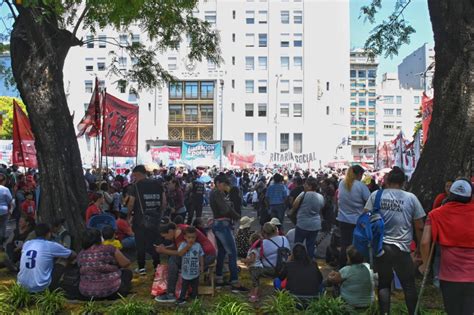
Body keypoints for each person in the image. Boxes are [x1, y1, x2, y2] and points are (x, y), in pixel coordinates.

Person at [364, 167, 425, 315]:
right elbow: (419, 226)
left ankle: (385, 313)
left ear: (387, 180)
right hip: (402, 249)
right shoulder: (411, 198)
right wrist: (418, 249)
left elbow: (365, 218)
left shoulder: (375, 195)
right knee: (408, 285)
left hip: (381, 247)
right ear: (403, 182)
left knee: (384, 284)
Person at [420, 179, 474, 315]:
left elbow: (425, 242)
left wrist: (425, 266)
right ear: (470, 196)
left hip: (449, 277)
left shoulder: (435, 214)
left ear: (450, 194)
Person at [155, 222, 216, 303]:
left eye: (165, 236)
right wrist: (165, 248)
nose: (166, 239)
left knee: (173, 260)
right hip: (206, 255)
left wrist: (164, 250)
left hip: (206, 256)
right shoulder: (178, 229)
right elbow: (179, 247)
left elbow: (180, 252)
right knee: (174, 260)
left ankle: (170, 294)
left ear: (170, 231)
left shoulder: (179, 233)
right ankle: (177, 292)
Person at [209, 174, 247, 292]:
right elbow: (225, 209)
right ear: (218, 183)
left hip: (218, 224)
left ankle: (219, 277)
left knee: (222, 252)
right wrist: (235, 214)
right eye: (224, 184)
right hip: (223, 225)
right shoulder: (217, 193)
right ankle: (234, 281)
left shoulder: (214, 193)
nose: (226, 187)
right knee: (232, 253)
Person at [126, 165, 167, 275]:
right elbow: (164, 202)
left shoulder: (136, 186)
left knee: (140, 244)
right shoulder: (158, 184)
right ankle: (157, 266)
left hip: (140, 220)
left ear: (138, 174)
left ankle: (141, 268)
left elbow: (131, 204)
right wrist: (159, 214)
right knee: (155, 243)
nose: (134, 178)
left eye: (134, 176)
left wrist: (128, 217)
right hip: (155, 219)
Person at [17, 223, 76, 293]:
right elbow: (72, 254)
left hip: (22, 286)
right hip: (40, 287)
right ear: (48, 234)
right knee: (63, 259)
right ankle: (58, 285)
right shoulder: (50, 245)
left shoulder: (27, 244)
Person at [77, 228, 132, 299]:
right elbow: (125, 263)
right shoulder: (109, 249)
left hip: (87, 293)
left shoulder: (81, 253)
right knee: (127, 273)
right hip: (111, 290)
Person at [336, 165, 370, 267]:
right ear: (359, 174)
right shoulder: (361, 186)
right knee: (357, 246)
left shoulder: (342, 183)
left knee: (344, 245)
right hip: (357, 221)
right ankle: (354, 268)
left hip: (343, 220)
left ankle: (342, 266)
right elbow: (370, 201)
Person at [251, 223, 291, 300]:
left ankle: (255, 291)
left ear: (264, 233)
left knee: (253, 269)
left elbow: (256, 257)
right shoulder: (284, 238)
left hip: (271, 270)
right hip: (285, 270)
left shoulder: (263, 243)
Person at [292, 177, 324, 261]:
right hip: (315, 225)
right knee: (311, 245)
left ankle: (297, 261)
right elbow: (321, 208)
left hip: (302, 223)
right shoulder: (320, 196)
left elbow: (295, 205)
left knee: (298, 244)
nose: (304, 185)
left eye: (305, 184)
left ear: (310, 186)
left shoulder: (303, 194)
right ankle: (310, 262)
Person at [176, 227, 205, 305]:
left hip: (195, 271)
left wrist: (201, 265)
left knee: (195, 286)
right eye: (189, 237)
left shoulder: (198, 245)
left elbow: (201, 255)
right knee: (184, 286)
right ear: (185, 237)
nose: (191, 239)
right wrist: (187, 247)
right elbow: (180, 254)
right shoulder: (183, 244)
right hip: (185, 271)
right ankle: (182, 298)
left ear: (196, 237)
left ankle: (194, 297)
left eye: (193, 237)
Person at [241, 232, 263, 302]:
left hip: (255, 268)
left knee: (255, 283)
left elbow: (252, 260)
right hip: (256, 267)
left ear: (252, 241)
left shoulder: (253, 251)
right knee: (254, 281)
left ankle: (255, 296)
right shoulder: (258, 249)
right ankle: (253, 293)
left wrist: (244, 260)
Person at [0, 173, 13, 246]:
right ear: (3, 181)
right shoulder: (5, 189)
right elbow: (10, 200)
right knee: (3, 226)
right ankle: (1, 241)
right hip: (3, 211)